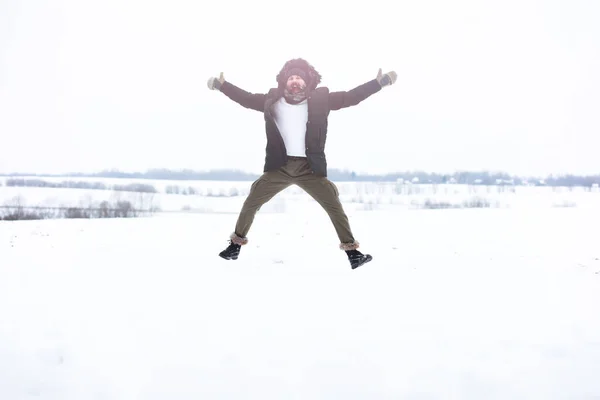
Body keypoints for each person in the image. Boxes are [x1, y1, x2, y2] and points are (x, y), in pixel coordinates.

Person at [207, 58, 397, 269]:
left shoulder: (321, 100)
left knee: (333, 205)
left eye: (298, 78)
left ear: (307, 81)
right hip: (280, 166)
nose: (294, 81)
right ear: (285, 82)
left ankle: (353, 253)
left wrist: (378, 83)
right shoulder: (272, 100)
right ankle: (235, 247)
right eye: (291, 78)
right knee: (252, 200)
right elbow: (245, 98)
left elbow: (351, 97)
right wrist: (222, 86)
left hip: (310, 169)